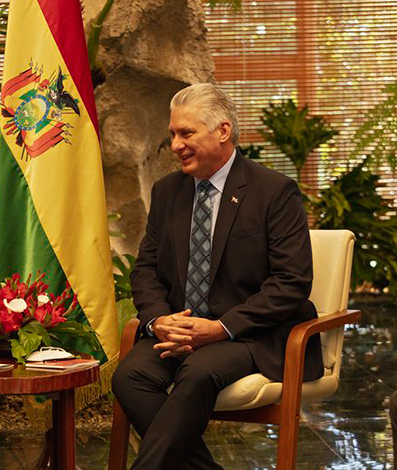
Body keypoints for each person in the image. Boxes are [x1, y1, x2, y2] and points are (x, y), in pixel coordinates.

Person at [112, 83, 324, 470]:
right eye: (173, 134)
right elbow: (145, 269)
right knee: (130, 375)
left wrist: (221, 328)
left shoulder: (274, 192)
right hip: (180, 329)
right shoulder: (167, 191)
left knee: (199, 371)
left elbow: (291, 282)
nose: (175, 144)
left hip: (250, 332)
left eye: (186, 133)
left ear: (222, 131)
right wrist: (159, 321)